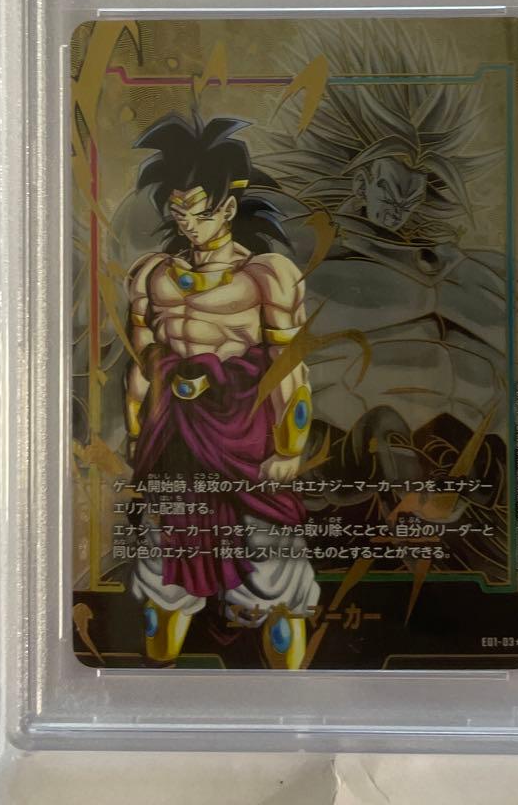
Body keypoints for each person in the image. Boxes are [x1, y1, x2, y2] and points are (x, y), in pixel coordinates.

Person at [124, 113, 318, 669]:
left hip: (245, 432)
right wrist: (137, 435)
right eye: (179, 212)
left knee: (273, 571)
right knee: (164, 570)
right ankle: (154, 694)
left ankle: (292, 697)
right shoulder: (151, 273)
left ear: (228, 209)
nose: (188, 224)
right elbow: (141, 365)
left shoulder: (266, 275)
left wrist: (290, 446)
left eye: (200, 212)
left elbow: (288, 367)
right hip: (173, 437)